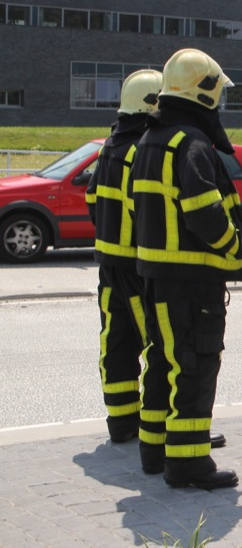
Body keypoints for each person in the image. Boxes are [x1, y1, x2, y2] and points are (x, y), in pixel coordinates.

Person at [130, 48, 242, 489]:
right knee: (195, 366)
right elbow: (204, 212)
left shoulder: (150, 139)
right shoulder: (192, 143)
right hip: (192, 280)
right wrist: (233, 244)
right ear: (203, 93)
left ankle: (155, 450)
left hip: (157, 276)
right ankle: (189, 463)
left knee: (164, 362)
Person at [85, 70, 160, 444]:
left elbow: (90, 199)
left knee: (115, 343)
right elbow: (144, 209)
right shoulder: (141, 149)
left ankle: (122, 423)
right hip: (136, 265)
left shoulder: (110, 146)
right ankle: (160, 427)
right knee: (158, 346)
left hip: (108, 264)